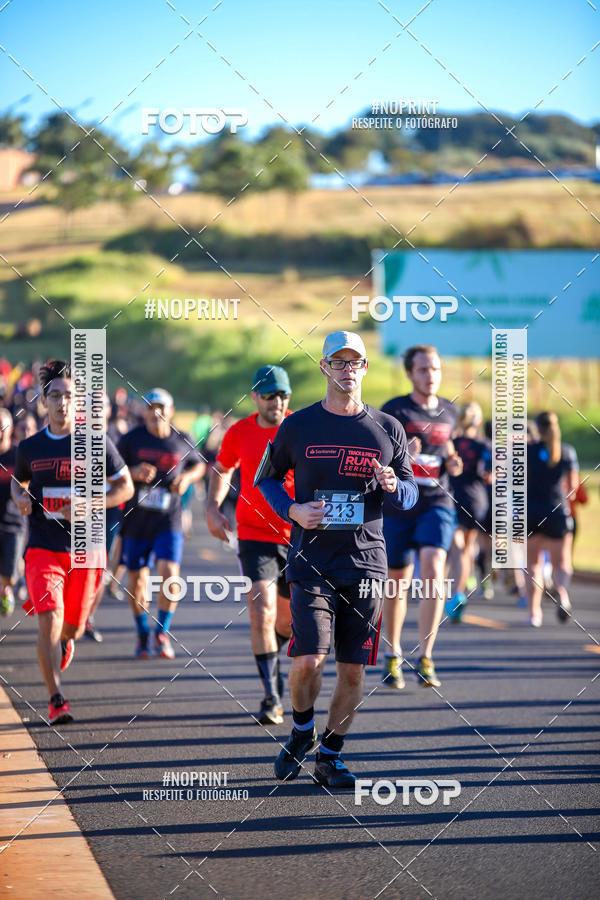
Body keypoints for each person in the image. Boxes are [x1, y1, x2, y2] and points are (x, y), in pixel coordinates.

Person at [257, 331, 417, 787]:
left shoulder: (388, 428)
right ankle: (302, 730)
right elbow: (264, 479)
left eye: (355, 362)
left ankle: (330, 755)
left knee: (352, 668)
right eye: (338, 362)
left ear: (365, 368)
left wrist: (393, 485)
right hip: (311, 559)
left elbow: (409, 494)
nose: (347, 369)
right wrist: (292, 509)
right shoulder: (298, 426)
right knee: (309, 660)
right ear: (324, 367)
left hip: (366, 562)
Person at [11, 360, 133, 725]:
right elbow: (21, 484)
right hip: (44, 546)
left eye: (69, 396)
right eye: (55, 396)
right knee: (49, 618)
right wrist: (20, 498)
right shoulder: (29, 447)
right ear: (44, 401)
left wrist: (88, 504)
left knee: (73, 627)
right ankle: (56, 699)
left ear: (78, 402)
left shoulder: (97, 443)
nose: (62, 402)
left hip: (88, 548)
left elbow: (125, 487)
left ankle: (68, 640)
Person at [206, 366, 294, 726]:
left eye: (283, 395)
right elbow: (222, 467)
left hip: (297, 535)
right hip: (254, 533)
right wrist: (212, 507)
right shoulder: (239, 431)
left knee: (287, 624)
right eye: (270, 395)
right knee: (261, 608)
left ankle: (273, 643)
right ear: (255, 397)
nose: (277, 401)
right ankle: (271, 695)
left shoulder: (299, 427)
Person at [380, 345, 462, 690]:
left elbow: (448, 448)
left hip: (437, 502)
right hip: (400, 504)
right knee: (397, 580)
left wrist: (454, 462)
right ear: (410, 373)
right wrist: (403, 453)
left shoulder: (450, 410)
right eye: (424, 369)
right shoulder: (394, 410)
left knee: (433, 567)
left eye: (436, 368)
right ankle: (393, 654)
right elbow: (378, 454)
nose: (431, 375)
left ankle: (426, 656)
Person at [117, 388, 205, 659]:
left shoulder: (182, 439)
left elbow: (199, 465)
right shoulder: (130, 440)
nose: (156, 413)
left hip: (169, 517)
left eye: (161, 408)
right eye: (150, 408)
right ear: (144, 412)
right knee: (137, 579)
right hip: (137, 519)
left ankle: (162, 631)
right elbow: (112, 469)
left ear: (171, 410)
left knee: (170, 573)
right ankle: (142, 632)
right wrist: (133, 472)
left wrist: (187, 479)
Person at [525, 411, 579, 627]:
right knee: (562, 562)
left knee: (533, 564)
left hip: (532, 512)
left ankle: (534, 612)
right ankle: (562, 594)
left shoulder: (528, 451)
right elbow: (573, 489)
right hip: (557, 511)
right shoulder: (567, 451)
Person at [445, 402, 491, 622]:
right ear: (479, 421)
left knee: (456, 547)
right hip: (476, 500)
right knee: (466, 548)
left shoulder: (451, 442)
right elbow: (489, 474)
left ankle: (452, 593)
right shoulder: (483, 445)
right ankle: (458, 594)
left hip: (453, 496)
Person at [0, 410, 27, 617]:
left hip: (14, 523)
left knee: (10, 576)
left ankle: (6, 588)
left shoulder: (19, 454)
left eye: (4, 427)